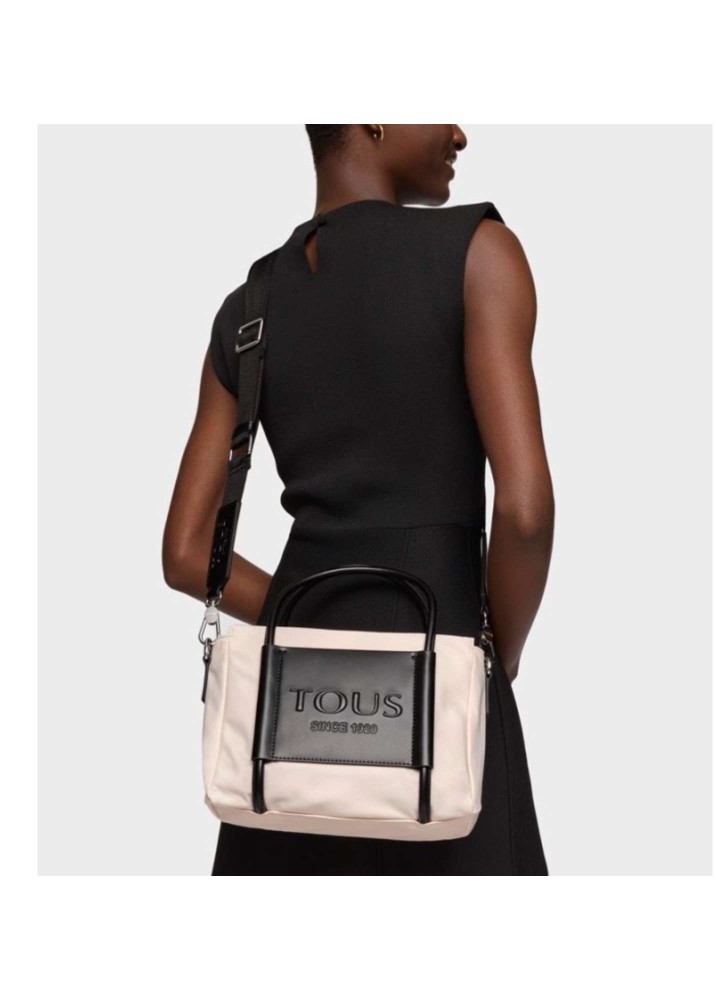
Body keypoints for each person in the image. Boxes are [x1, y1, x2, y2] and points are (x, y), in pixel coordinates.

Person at [162, 124, 554, 875]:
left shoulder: (249, 306)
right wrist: (492, 658)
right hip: (439, 692)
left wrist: (316, 623)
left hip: (293, 716)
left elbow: (186, 556)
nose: (459, 131)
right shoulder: (478, 253)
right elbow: (526, 511)